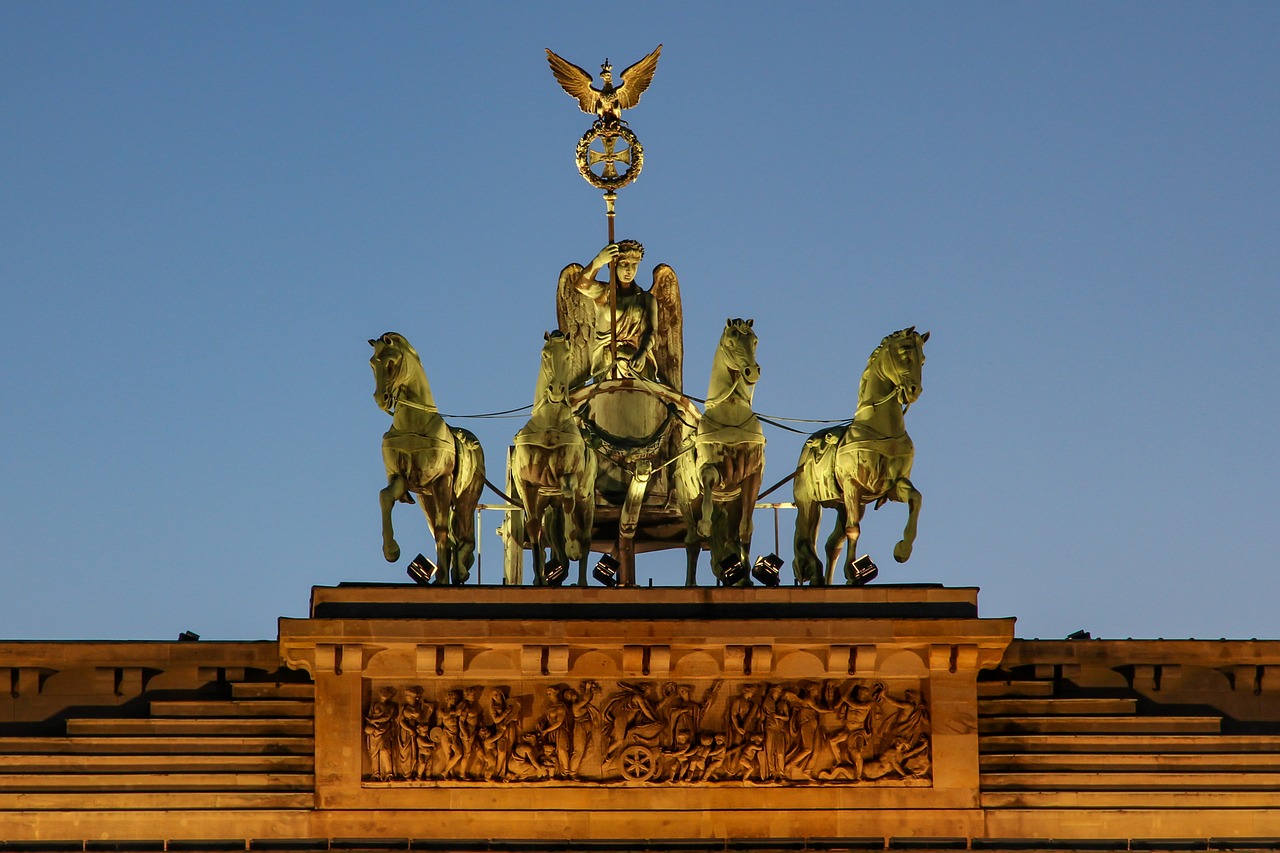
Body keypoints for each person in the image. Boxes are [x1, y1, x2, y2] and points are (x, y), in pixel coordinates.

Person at [574, 240, 660, 383]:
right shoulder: (604, 293)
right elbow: (582, 285)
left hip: (638, 361)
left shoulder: (646, 299)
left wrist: (642, 352)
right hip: (609, 361)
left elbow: (651, 330)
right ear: (613, 265)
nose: (629, 270)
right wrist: (599, 260)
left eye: (634, 265)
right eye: (624, 264)